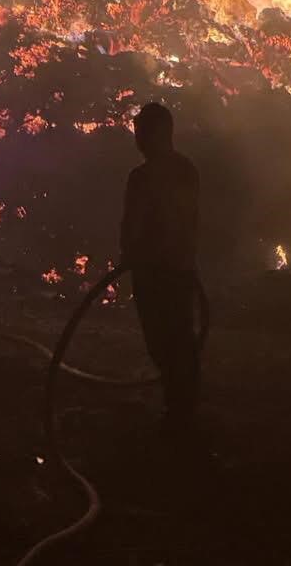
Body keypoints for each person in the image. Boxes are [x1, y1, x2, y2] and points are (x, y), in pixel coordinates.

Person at [121, 102, 200, 434]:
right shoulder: (187, 169)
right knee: (182, 337)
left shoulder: (142, 177)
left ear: (155, 132)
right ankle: (184, 408)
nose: (136, 137)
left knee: (162, 340)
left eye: (140, 130)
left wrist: (130, 254)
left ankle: (177, 413)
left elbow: (134, 225)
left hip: (154, 272)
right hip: (182, 270)